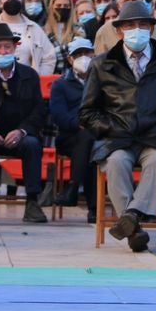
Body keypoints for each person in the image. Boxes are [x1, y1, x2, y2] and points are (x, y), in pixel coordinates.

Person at [80, 0, 156, 252]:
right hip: (116, 138)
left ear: (151, 29)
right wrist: (111, 128)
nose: (136, 30)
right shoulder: (101, 63)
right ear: (118, 31)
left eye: (142, 24)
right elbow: (87, 112)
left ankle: (130, 218)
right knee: (117, 162)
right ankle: (135, 227)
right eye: (129, 25)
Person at [0, 22, 48, 224]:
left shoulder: (29, 74)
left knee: (33, 145)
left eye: (7, 47)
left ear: (15, 47)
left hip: (19, 134)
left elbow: (39, 110)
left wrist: (22, 131)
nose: (2, 51)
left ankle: (32, 202)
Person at [50, 38, 98, 223]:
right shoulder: (60, 84)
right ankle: (93, 208)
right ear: (70, 59)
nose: (83, 58)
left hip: (95, 135)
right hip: (69, 137)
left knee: (90, 147)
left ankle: (73, 187)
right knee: (90, 148)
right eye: (78, 55)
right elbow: (58, 115)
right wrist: (81, 123)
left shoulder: (101, 82)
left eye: (87, 54)